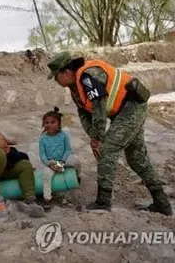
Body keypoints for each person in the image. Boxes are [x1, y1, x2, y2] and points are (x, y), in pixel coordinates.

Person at [46, 51, 172, 216]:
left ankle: (103, 202)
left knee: (107, 151)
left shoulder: (87, 77)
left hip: (131, 108)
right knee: (136, 159)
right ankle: (162, 204)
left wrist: (98, 138)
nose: (56, 81)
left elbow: (98, 108)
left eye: (56, 76)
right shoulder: (74, 86)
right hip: (123, 112)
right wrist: (93, 136)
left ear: (67, 72)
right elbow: (83, 113)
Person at [39, 107, 81, 210]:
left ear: (59, 124)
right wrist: (49, 164)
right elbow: (42, 154)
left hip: (63, 160)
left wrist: (62, 161)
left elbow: (68, 149)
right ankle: (47, 199)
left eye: (53, 122)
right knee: (46, 176)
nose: (49, 125)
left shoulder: (63, 136)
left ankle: (78, 176)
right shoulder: (43, 138)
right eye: (46, 122)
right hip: (51, 162)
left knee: (77, 161)